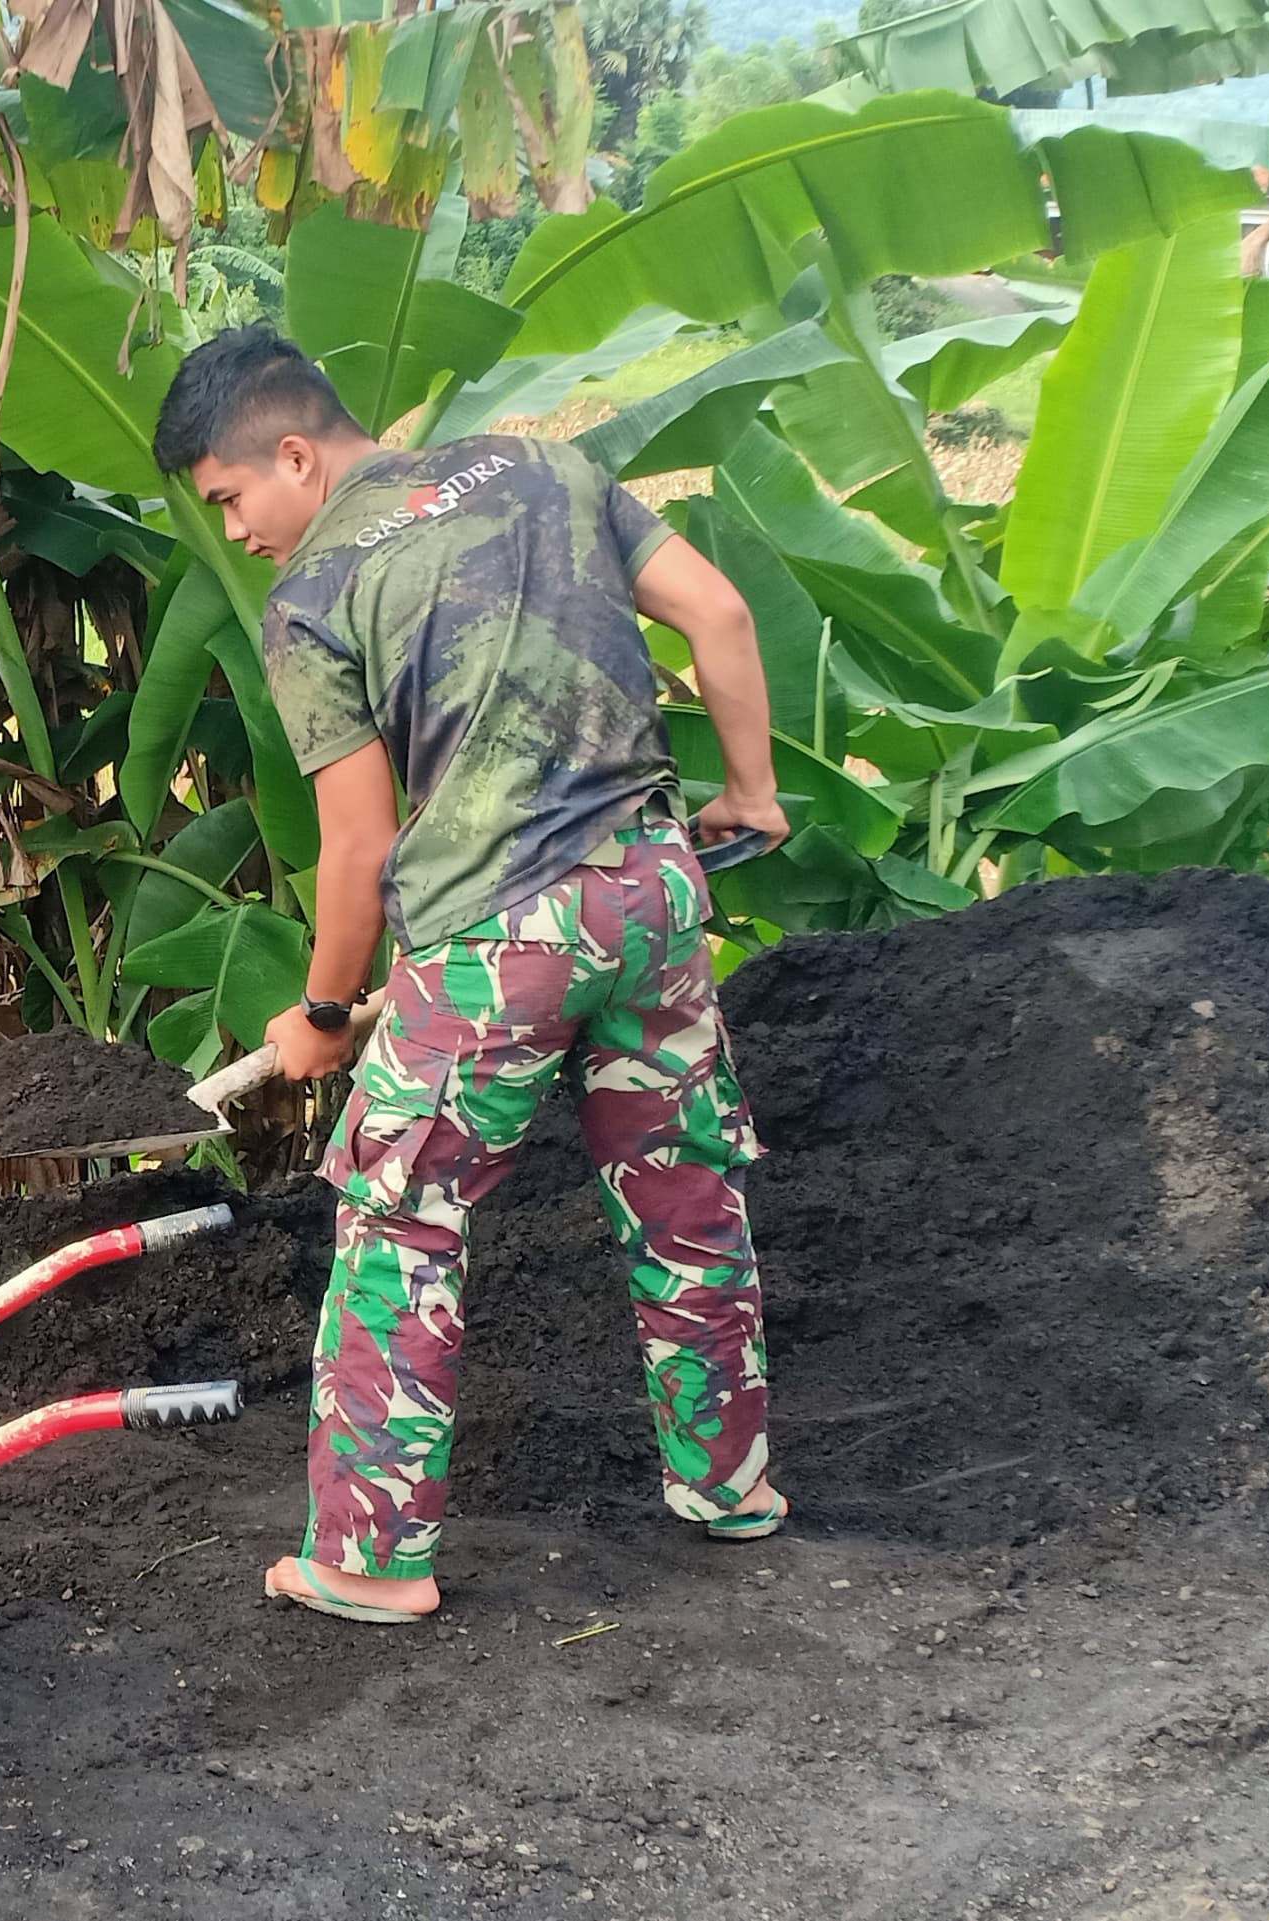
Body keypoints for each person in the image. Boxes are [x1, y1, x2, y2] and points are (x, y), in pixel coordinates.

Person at [148, 327, 795, 1626]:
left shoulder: (318, 593)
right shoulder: (546, 470)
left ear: (291, 453)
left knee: (400, 1218)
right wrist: (752, 794)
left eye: (230, 501)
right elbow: (721, 613)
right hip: (653, 892)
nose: (240, 534)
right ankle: (728, 1484)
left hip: (500, 943)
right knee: (684, 1197)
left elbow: (357, 842)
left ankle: (371, 1558)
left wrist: (325, 1012)